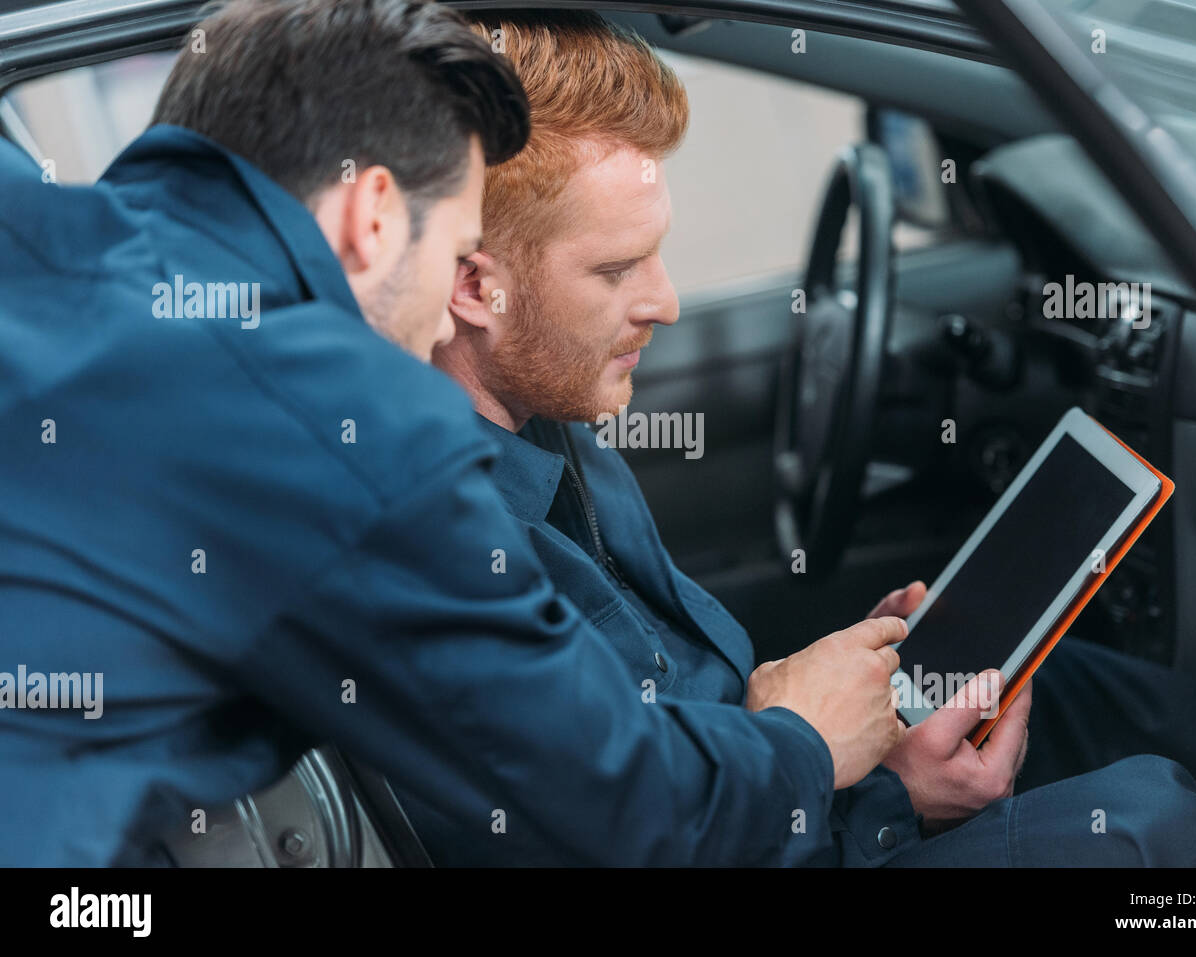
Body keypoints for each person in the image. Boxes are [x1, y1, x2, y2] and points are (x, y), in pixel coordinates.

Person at [0, 0, 911, 866]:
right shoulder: (346, 431)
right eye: (453, 253)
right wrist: (808, 742)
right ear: (372, 216)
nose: (445, 322)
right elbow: (629, 804)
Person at [418, 8, 1196, 865]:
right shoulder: (450, 561)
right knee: (1149, 829)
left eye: (655, 254)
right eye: (614, 270)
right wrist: (883, 794)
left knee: (1060, 683)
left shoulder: (554, 426)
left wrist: (837, 697)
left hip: (773, 790)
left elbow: (672, 716)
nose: (666, 303)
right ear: (472, 287)